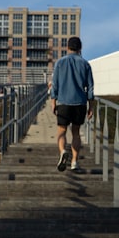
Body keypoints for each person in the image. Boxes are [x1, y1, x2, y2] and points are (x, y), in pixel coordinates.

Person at [50, 36, 94, 172]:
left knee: (61, 131)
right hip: (79, 103)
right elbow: (90, 88)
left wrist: (53, 102)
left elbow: (54, 85)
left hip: (63, 102)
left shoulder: (59, 63)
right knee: (76, 132)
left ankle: (63, 151)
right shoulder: (85, 64)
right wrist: (91, 106)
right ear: (80, 48)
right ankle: (74, 162)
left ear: (67, 47)